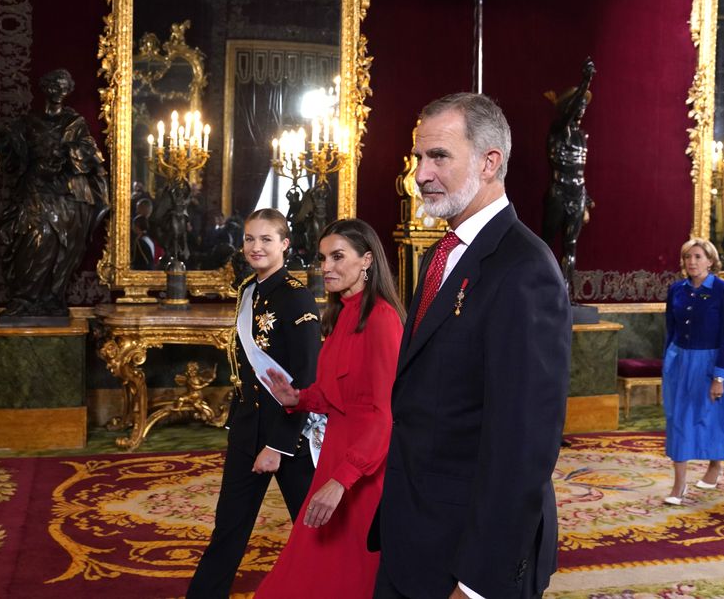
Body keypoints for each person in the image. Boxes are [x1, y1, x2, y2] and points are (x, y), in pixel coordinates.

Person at [370, 93, 572, 599]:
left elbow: (522, 446)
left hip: (469, 557)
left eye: (438, 156)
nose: (420, 174)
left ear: (489, 163)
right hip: (414, 535)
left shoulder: (525, 269)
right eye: (419, 157)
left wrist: (478, 582)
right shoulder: (445, 251)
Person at [258, 218, 405, 598]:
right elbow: (334, 393)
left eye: (338, 257)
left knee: (346, 574)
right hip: (335, 458)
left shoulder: (382, 320)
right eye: (323, 258)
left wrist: (342, 480)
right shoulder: (341, 314)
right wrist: (299, 398)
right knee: (309, 568)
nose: (326, 267)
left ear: (367, 260)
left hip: (366, 471)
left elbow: (383, 414)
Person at [187, 208, 321, 599]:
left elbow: (305, 379)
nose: (256, 247)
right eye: (249, 239)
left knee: (313, 531)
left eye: (266, 239)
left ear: (284, 245)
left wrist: (278, 445)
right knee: (228, 528)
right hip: (247, 430)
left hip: (288, 437)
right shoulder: (248, 290)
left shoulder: (297, 298)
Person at [0, 69, 109, 317]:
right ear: (45, 89)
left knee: (57, 244)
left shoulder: (75, 123)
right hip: (34, 190)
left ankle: (50, 297)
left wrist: (67, 152)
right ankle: (23, 299)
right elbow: (10, 153)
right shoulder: (29, 123)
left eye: (63, 87)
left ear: (68, 90)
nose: (58, 91)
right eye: (53, 86)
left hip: (64, 195)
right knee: (31, 239)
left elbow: (91, 156)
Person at [662, 238, 724, 505]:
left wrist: (720, 376)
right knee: (678, 420)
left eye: (697, 257)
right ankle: (679, 485)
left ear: (710, 261)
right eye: (687, 257)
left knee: (713, 417)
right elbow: (670, 329)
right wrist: (669, 360)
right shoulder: (676, 290)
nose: (692, 262)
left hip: (711, 363)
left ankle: (714, 467)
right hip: (680, 361)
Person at [542, 58, 596, 302]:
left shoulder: (582, 135)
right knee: (546, 244)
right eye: (579, 104)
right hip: (559, 192)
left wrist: (587, 199)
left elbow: (580, 170)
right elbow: (571, 110)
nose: (582, 108)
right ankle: (542, 290)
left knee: (570, 245)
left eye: (585, 104)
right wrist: (586, 82)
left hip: (578, 193)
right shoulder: (559, 129)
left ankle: (564, 295)